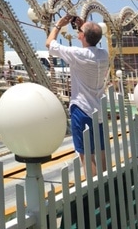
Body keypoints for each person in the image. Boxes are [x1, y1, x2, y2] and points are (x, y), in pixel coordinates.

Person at [46, 15, 109, 177]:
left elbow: (49, 44)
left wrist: (59, 25)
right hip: (98, 111)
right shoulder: (104, 55)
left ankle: (93, 192)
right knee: (101, 153)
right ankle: (106, 189)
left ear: (82, 36)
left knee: (87, 156)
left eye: (80, 32)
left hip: (81, 109)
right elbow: (90, 46)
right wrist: (84, 29)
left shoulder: (77, 54)